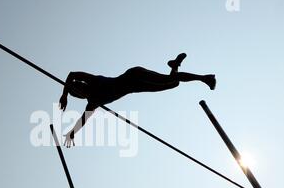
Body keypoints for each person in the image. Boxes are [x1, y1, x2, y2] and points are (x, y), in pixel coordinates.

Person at [59, 53, 216, 147]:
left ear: (81, 85)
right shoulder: (92, 102)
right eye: (78, 92)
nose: (81, 89)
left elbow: (72, 74)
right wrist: (72, 133)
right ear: (80, 96)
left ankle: (205, 78)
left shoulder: (93, 81)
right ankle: (174, 65)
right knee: (173, 83)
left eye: (79, 87)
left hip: (134, 76)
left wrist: (64, 95)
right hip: (136, 87)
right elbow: (83, 120)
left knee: (171, 81)